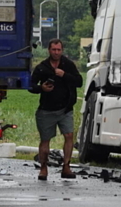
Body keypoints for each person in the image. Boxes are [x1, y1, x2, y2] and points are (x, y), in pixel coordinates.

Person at [29, 38, 82, 181]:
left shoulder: (68, 65)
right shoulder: (42, 67)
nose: (56, 52)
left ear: (62, 50)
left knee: (69, 136)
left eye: (59, 50)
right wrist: (42, 88)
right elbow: (31, 85)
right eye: (54, 50)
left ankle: (66, 166)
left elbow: (79, 81)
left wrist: (64, 75)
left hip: (65, 109)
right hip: (46, 109)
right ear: (49, 50)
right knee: (45, 140)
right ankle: (43, 168)